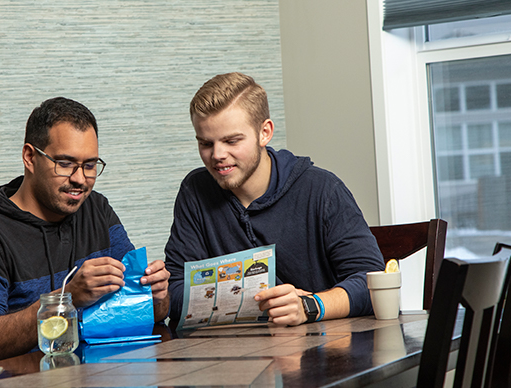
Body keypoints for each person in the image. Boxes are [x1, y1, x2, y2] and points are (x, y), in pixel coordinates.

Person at [0, 97, 170, 366]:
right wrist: (66, 299)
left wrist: (156, 295)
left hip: (88, 374)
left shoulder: (96, 209)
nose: (80, 179)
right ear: (30, 157)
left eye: (89, 165)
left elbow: (148, 312)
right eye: (64, 163)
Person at [165, 72, 384, 328]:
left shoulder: (323, 190)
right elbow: (176, 290)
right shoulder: (195, 190)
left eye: (232, 141)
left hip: (321, 353)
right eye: (205, 143)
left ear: (264, 132)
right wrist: (250, 301)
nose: (217, 155)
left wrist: (309, 307)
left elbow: (373, 285)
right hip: (234, 354)